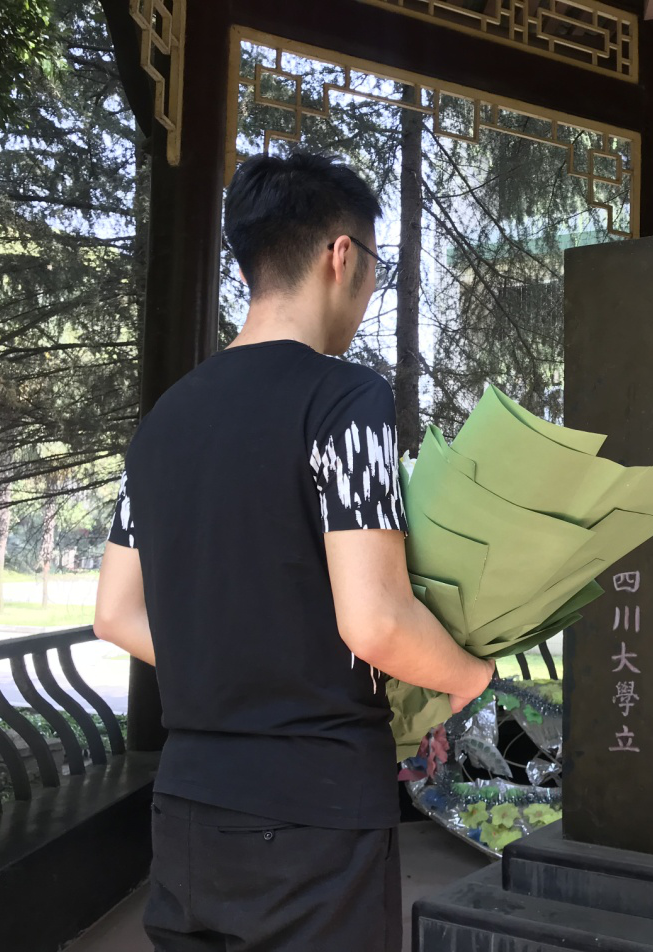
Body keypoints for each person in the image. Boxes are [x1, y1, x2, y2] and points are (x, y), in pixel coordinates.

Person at [93, 151, 495, 952]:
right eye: (375, 264)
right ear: (341, 255)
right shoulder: (344, 398)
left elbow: (114, 614)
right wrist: (470, 680)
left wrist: (237, 662)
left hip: (187, 808)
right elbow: (375, 621)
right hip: (313, 810)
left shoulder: (164, 421)